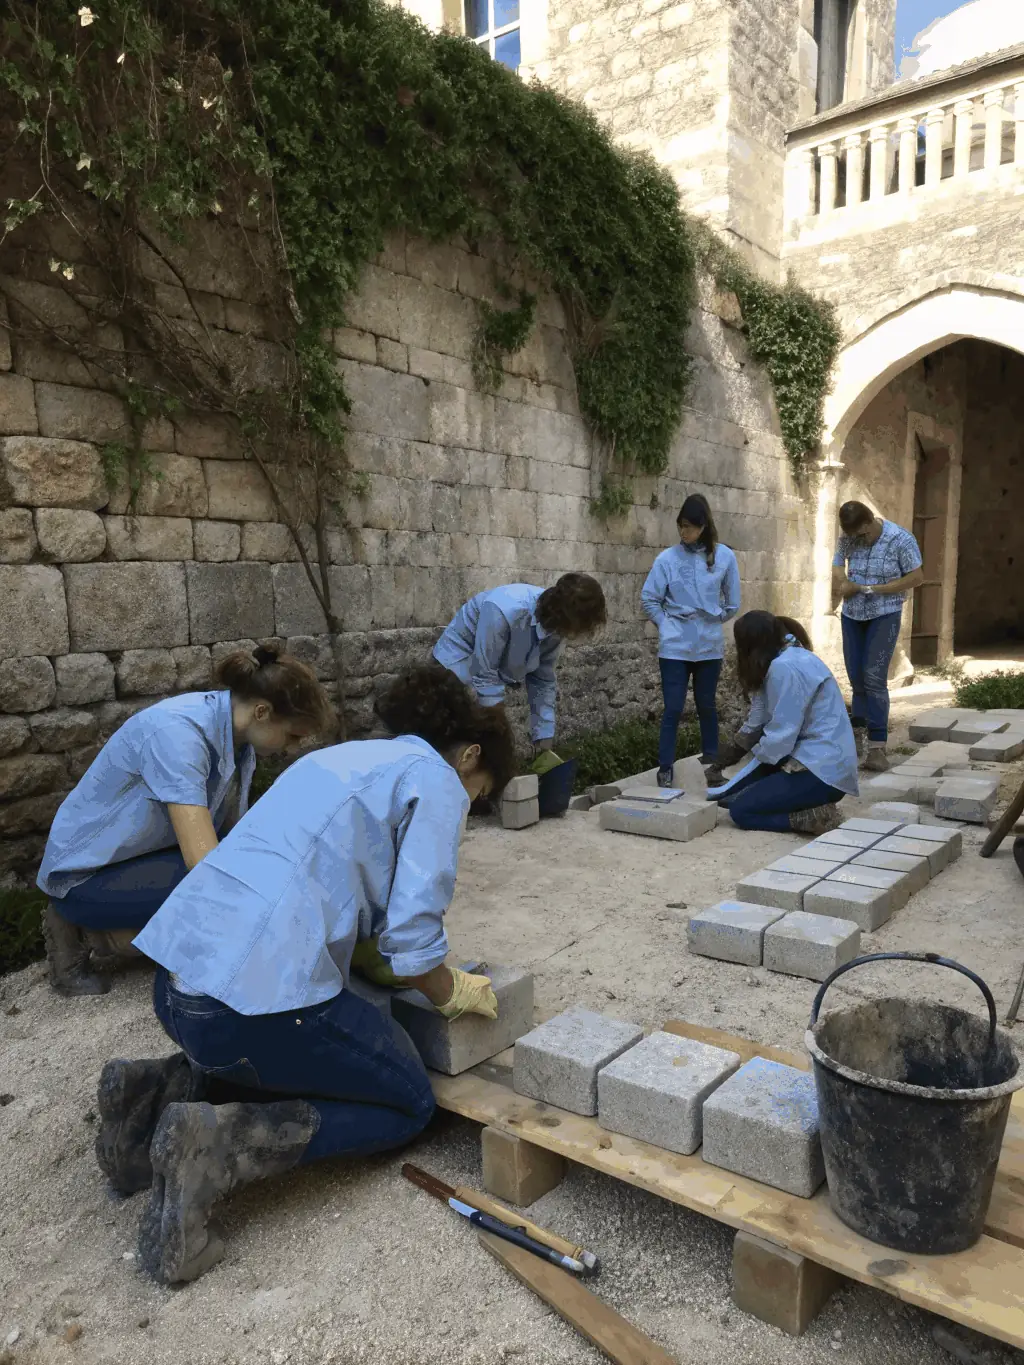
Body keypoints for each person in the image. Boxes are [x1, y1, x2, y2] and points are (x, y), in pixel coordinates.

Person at [95, 664, 516, 1286]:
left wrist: (368, 951)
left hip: (177, 991)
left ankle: (151, 1095)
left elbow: (327, 874)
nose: (472, 807)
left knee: (286, 1045)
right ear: (470, 756)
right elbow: (415, 944)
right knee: (407, 1102)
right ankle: (218, 1147)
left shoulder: (340, 760)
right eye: (481, 792)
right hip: (247, 1013)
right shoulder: (437, 780)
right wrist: (452, 990)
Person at [37, 646, 333, 998]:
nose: (294, 748)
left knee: (248, 886)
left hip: (144, 858)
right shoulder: (179, 735)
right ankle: (83, 932)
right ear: (262, 712)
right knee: (228, 900)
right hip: (84, 879)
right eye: (294, 735)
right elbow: (206, 866)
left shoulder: (238, 739)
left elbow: (236, 837)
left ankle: (136, 932)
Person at [707, 611, 858, 835]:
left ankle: (811, 818)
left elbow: (778, 743)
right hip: (828, 766)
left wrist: (718, 791)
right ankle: (804, 803)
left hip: (821, 774)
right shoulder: (790, 655)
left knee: (741, 810)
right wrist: (725, 763)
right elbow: (757, 717)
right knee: (737, 794)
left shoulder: (784, 668)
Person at [433, 574, 607, 760]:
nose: (577, 633)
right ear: (568, 615)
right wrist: (500, 731)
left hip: (484, 673)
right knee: (450, 748)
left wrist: (544, 741)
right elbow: (484, 674)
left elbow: (542, 680)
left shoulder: (556, 628)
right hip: (454, 666)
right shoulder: (503, 610)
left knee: (480, 752)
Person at [641, 495, 741, 789]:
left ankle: (712, 766)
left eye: (689, 527)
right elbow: (649, 598)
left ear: (703, 526)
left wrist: (712, 618)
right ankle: (665, 768)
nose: (683, 533)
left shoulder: (724, 557)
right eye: (680, 527)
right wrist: (666, 625)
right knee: (672, 708)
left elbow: (733, 603)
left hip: (709, 645)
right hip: (674, 647)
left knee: (707, 705)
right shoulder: (667, 559)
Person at [832, 500, 924, 772]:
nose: (860, 540)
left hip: (884, 614)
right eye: (854, 538)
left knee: (874, 678)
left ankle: (877, 748)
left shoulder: (900, 539)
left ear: (870, 521)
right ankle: (857, 746)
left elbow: (917, 577)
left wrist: (871, 589)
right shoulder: (849, 537)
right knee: (856, 679)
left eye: (863, 535)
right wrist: (843, 582)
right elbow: (838, 564)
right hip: (852, 615)